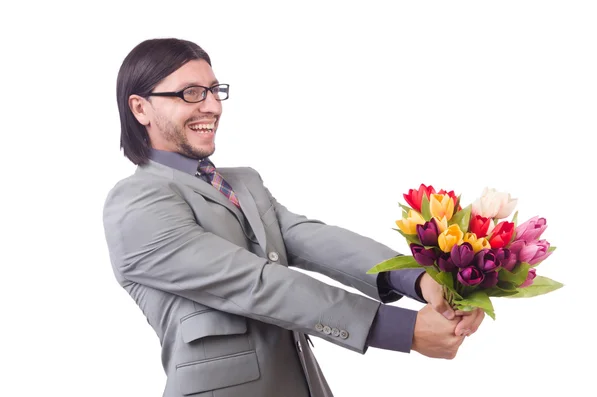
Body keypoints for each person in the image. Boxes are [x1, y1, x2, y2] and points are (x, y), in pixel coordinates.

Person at [102, 38, 484, 397]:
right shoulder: (136, 202)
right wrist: (401, 329)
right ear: (140, 108)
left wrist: (419, 279)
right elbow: (254, 282)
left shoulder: (242, 182)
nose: (213, 106)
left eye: (215, 91)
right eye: (191, 93)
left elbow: (311, 239)